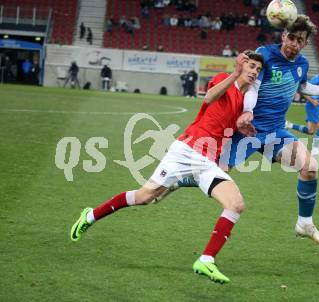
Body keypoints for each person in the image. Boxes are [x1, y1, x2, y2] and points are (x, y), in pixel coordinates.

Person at [70, 51, 264, 284]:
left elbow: (224, 126)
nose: (254, 72)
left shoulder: (242, 101)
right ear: (241, 65)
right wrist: (233, 74)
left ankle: (206, 260)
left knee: (236, 204)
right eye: (251, 66)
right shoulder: (225, 78)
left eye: (258, 69)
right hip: (186, 151)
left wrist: (241, 129)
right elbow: (209, 98)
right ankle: (90, 215)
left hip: (207, 161)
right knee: (144, 197)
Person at [158, 15, 319, 246]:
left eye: (299, 40)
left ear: (304, 44)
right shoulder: (266, 54)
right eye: (291, 37)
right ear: (283, 36)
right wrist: (247, 111)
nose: (293, 43)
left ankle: (304, 224)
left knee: (310, 167)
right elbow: (252, 86)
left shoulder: (302, 65)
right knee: (219, 173)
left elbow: (301, 86)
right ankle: (179, 181)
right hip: (246, 130)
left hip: (275, 132)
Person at [286, 60, 319, 157]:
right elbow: (303, 91)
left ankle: (289, 125)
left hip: (316, 105)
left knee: (310, 131)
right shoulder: (316, 79)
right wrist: (313, 101)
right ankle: (315, 150)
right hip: (313, 106)